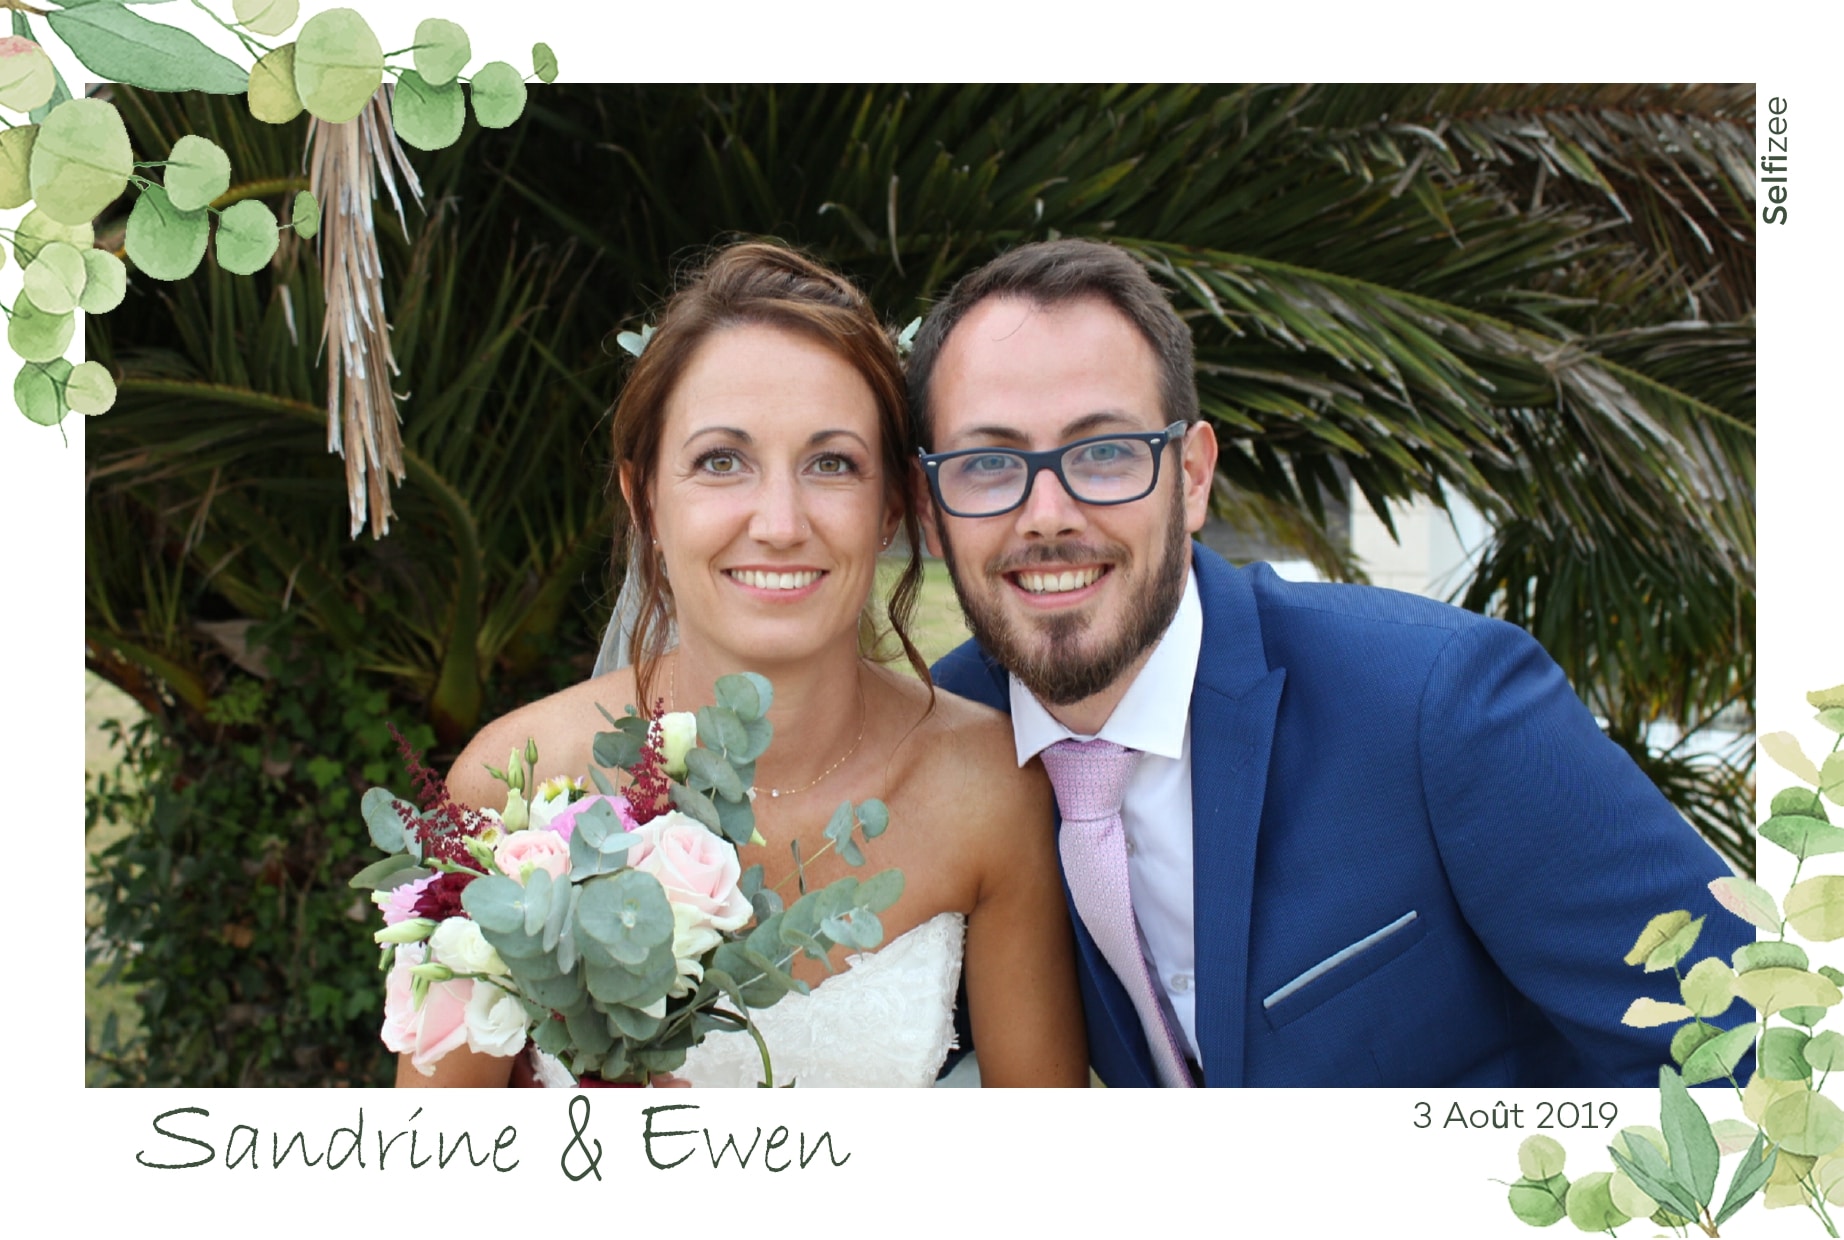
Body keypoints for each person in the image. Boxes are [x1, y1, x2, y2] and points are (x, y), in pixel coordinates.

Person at [912, 237, 1748, 1088]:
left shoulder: (1440, 701)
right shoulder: (933, 748)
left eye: (1105, 454)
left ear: (1193, 478)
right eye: (988, 465)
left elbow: (1755, 1069)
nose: (1047, 514)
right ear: (931, 511)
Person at [397, 241, 1087, 1088]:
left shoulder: (990, 790)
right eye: (721, 461)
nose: (780, 521)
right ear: (644, 496)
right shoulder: (517, 788)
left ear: (891, 506)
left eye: (832, 464)